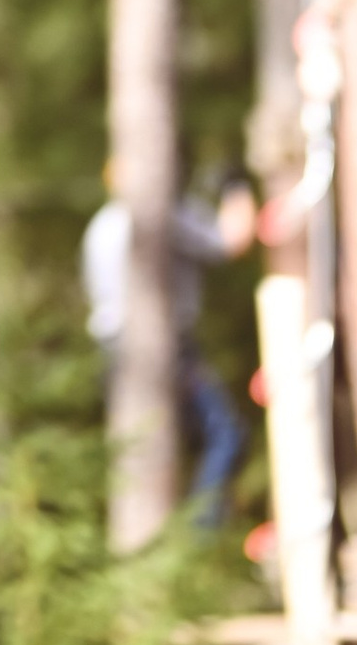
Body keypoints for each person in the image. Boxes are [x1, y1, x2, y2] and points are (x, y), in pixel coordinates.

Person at [81, 166, 258, 526]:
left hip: (112, 351)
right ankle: (198, 535)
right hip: (170, 351)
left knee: (143, 453)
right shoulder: (164, 214)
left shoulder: (99, 227)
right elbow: (232, 240)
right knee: (225, 436)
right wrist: (236, 188)